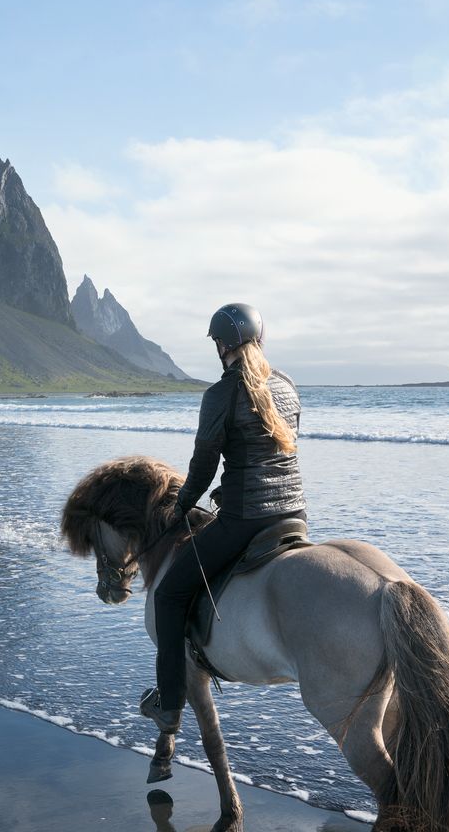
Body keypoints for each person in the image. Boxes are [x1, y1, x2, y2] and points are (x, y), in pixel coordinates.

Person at [141, 303, 306, 736]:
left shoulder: (220, 394)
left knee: (170, 596)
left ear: (221, 346)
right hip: (294, 515)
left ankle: (170, 705)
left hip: (245, 520)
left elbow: (203, 465)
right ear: (260, 339)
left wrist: (180, 507)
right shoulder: (287, 386)